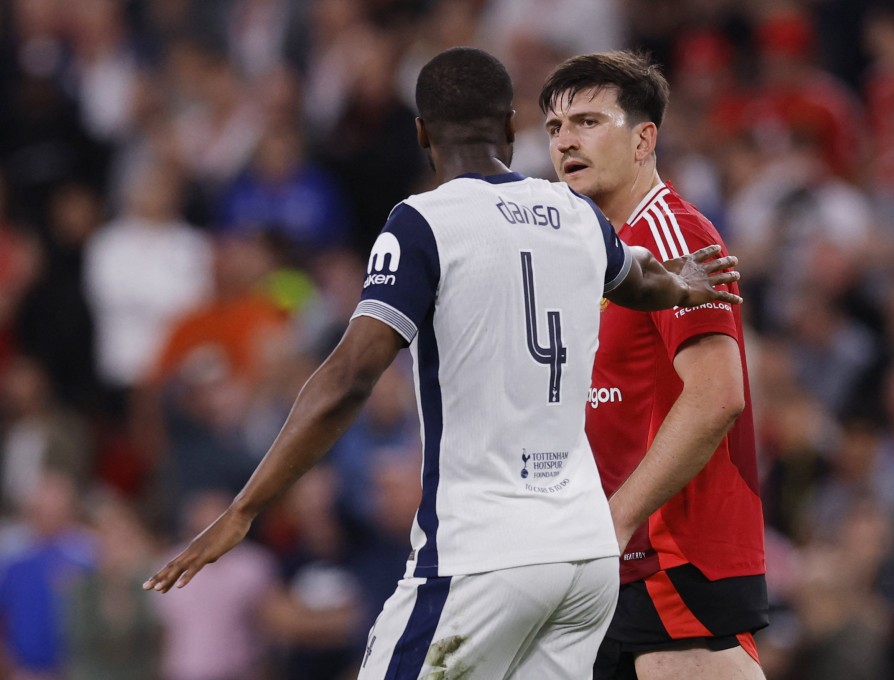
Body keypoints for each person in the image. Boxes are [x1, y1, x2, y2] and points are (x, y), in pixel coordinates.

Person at [144, 46, 743, 680]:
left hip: (483, 555)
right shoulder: (575, 215)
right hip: (584, 556)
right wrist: (682, 283)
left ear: (422, 133)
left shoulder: (422, 222)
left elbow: (349, 378)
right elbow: (640, 278)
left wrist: (242, 510)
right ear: (511, 126)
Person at [539, 50, 769, 680]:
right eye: (555, 128)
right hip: (605, 567)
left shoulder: (672, 234)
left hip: (670, 560)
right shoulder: (587, 252)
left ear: (644, 140)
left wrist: (615, 520)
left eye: (588, 122)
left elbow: (717, 395)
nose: (565, 142)